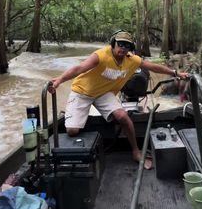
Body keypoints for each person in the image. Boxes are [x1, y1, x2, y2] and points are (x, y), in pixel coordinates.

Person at [49, 30, 189, 169]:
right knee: (72, 131)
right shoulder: (101, 56)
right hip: (82, 92)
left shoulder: (132, 60)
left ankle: (135, 151)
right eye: (120, 44)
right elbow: (79, 68)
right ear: (113, 44)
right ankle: (76, 120)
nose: (123, 48)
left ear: (130, 49)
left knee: (122, 116)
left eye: (127, 46)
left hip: (104, 93)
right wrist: (60, 79)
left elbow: (153, 67)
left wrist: (175, 73)